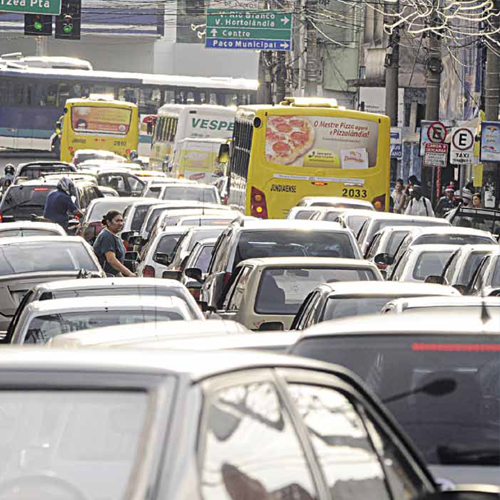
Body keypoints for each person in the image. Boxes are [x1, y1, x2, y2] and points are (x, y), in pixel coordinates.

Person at [93, 210, 136, 277]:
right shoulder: (106, 236)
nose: (120, 223)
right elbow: (111, 260)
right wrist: (129, 273)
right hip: (107, 277)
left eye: (121, 221)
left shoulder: (115, 236)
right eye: (117, 221)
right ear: (108, 222)